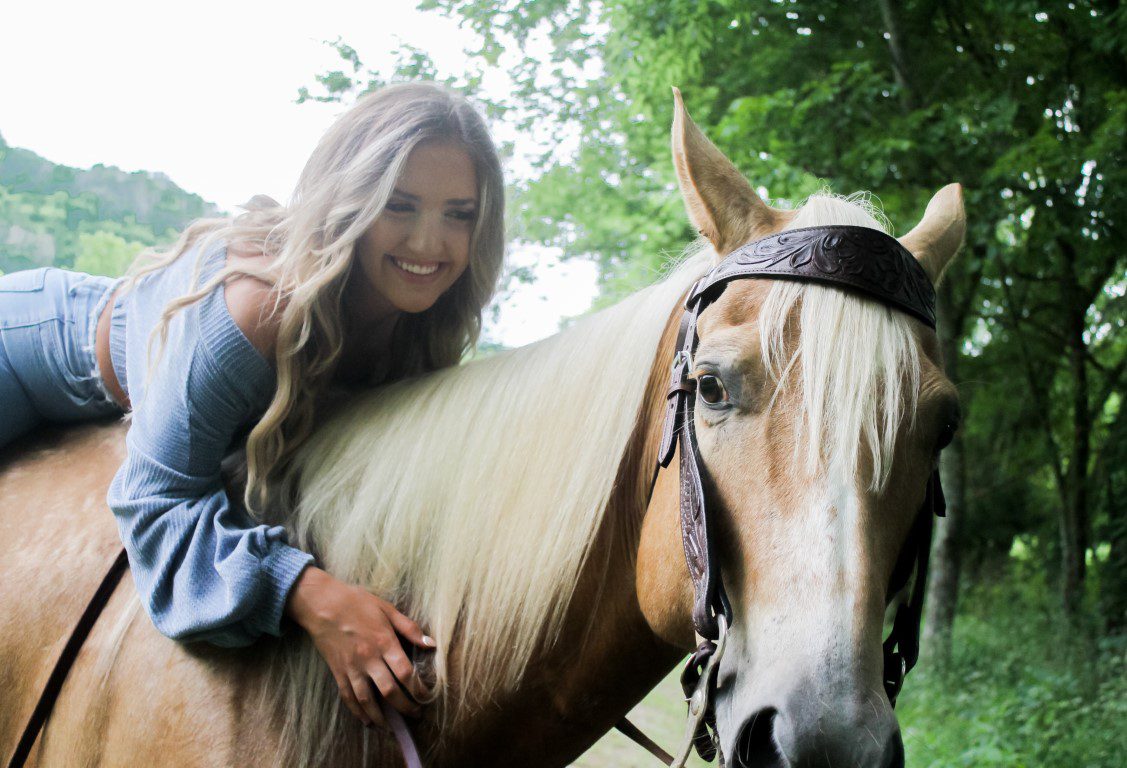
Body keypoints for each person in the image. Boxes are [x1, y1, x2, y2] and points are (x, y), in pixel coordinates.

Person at [0, 81, 505, 729]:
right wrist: (306, 592)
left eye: (457, 214)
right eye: (399, 205)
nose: (428, 244)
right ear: (348, 199)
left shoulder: (423, 331)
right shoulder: (257, 307)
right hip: (26, 348)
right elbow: (155, 500)